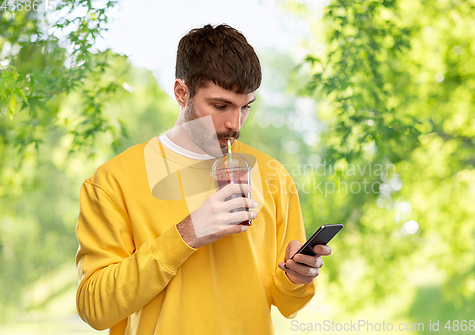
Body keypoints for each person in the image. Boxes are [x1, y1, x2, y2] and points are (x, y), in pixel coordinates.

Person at [75, 24, 331, 334]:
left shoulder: (273, 174)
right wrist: (186, 234)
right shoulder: (111, 182)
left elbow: (288, 302)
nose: (234, 123)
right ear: (182, 93)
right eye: (220, 106)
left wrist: (296, 278)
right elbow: (95, 309)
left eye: (245, 107)